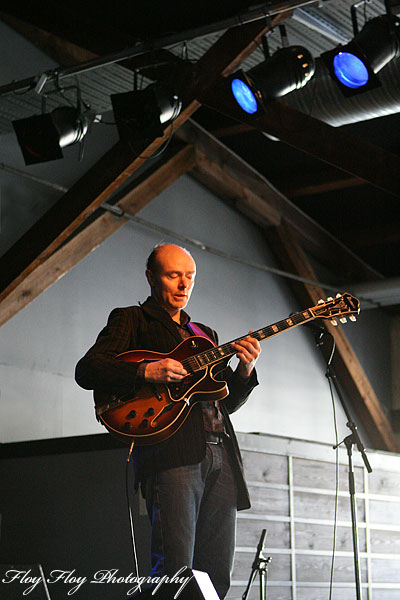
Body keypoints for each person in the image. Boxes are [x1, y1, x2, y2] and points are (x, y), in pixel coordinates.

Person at [75, 243, 261, 599]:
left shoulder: (205, 334)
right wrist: (147, 370)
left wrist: (246, 368)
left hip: (222, 456)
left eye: (189, 276)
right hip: (173, 455)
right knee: (174, 571)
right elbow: (88, 370)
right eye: (173, 275)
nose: (183, 284)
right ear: (150, 277)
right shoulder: (131, 319)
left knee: (216, 573)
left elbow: (227, 403)